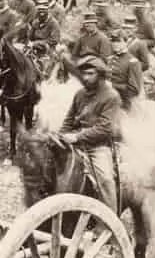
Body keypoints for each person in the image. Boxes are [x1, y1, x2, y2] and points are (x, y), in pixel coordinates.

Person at [58, 55, 122, 213]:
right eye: (83, 74)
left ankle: (110, 221)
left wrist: (77, 137)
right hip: (75, 139)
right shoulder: (80, 94)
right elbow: (69, 119)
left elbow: (104, 128)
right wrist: (61, 135)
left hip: (98, 145)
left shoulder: (111, 96)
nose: (85, 78)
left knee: (105, 179)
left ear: (100, 75)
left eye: (90, 74)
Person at [107, 31, 143, 109]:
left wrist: (112, 86)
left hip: (122, 103)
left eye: (118, 41)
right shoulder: (109, 59)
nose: (115, 44)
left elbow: (134, 90)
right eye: (113, 41)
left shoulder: (133, 62)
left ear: (125, 42)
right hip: (106, 99)